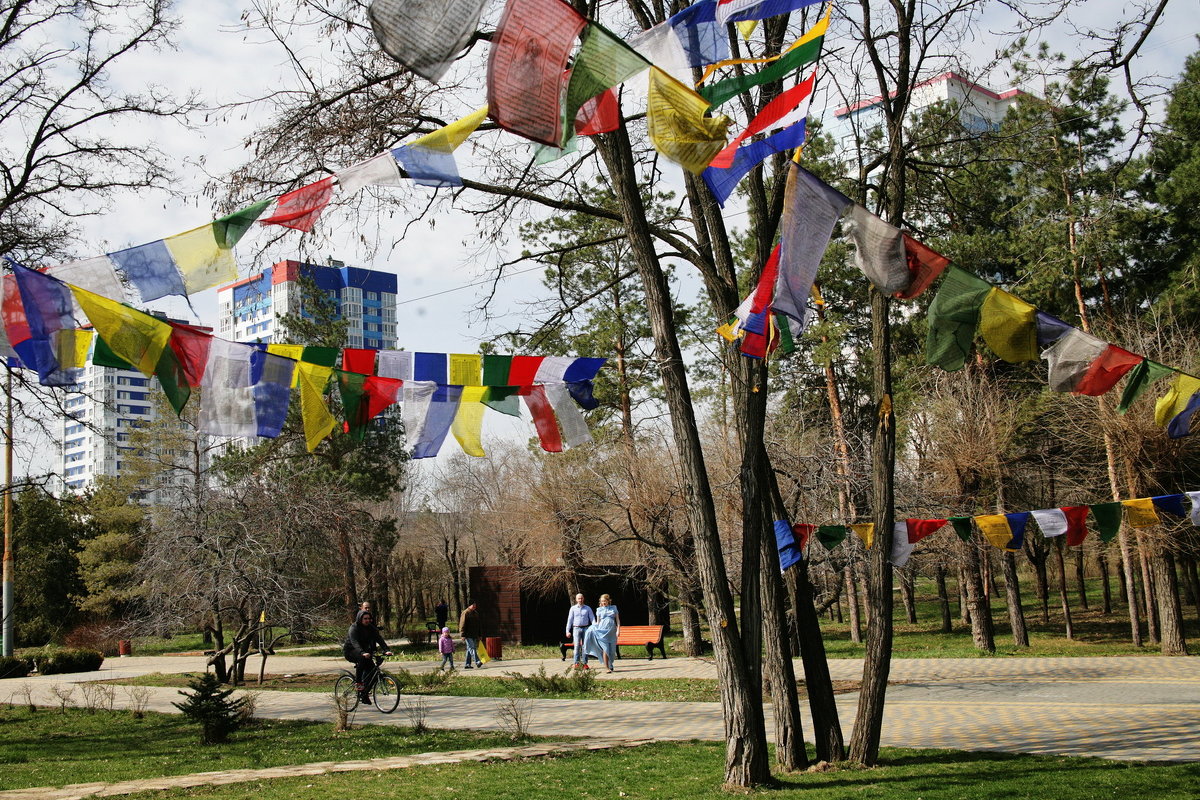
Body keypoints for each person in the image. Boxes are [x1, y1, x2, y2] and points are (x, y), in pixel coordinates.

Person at [343, 608, 391, 704]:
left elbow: (379, 639)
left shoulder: (371, 628)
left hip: (365, 652)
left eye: (369, 618)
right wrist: (362, 652)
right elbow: (354, 642)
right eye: (365, 618)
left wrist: (386, 650)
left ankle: (364, 694)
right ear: (360, 619)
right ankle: (359, 683)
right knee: (362, 659)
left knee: (373, 672)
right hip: (351, 651)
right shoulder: (354, 628)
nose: (367, 620)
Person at [584, 593, 621, 672]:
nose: (603, 603)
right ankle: (606, 667)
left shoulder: (614, 608)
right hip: (602, 632)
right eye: (602, 601)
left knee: (612, 650)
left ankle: (610, 663)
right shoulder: (599, 609)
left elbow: (617, 620)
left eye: (605, 601)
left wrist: (618, 630)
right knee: (605, 649)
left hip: (611, 632)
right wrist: (592, 628)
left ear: (608, 601)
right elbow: (598, 622)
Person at [565, 592, 595, 668]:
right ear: (576, 599)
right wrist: (567, 631)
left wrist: (595, 627)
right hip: (576, 628)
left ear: (583, 599)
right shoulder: (573, 608)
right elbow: (570, 620)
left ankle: (585, 663)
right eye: (579, 598)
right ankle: (576, 663)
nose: (580, 600)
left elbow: (592, 619)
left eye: (581, 598)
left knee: (585, 646)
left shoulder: (588, 608)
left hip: (586, 628)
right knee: (577, 646)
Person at [458, 600, 483, 669]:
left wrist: (480, 634)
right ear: (469, 605)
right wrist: (462, 635)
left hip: (474, 635)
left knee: (469, 649)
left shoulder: (476, 613)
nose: (475, 606)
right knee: (472, 648)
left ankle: (467, 664)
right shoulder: (465, 613)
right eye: (473, 605)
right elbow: (462, 624)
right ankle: (477, 661)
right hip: (467, 635)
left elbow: (479, 625)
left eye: (475, 605)